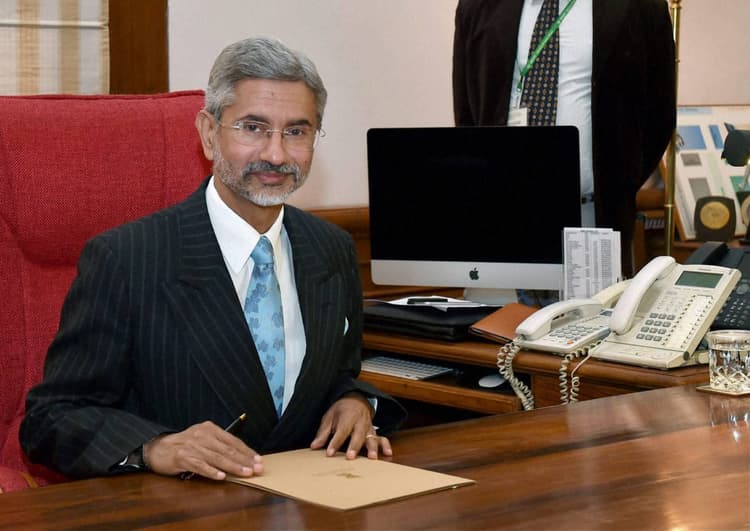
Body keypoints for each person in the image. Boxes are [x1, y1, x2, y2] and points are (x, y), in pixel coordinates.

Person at [20, 36, 406, 481]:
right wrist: (153, 447)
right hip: (185, 503)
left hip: (312, 498)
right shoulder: (127, 259)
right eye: (253, 128)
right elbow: (52, 417)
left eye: (296, 132)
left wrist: (353, 400)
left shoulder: (332, 249)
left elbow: (337, 374)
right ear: (208, 133)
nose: (276, 154)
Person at [452, 0, 676, 280]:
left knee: (594, 309)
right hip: (502, 217)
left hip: (592, 221)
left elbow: (660, 113)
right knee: (499, 310)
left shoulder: (639, 6)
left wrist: (618, 183)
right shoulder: (478, 6)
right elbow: (467, 115)